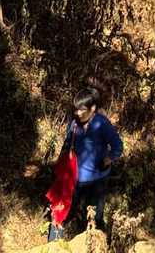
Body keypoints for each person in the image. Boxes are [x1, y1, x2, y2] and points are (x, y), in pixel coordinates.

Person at [47, 88, 122, 242]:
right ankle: (53, 246)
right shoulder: (74, 123)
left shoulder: (102, 123)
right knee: (61, 212)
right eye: (76, 109)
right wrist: (60, 169)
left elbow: (118, 146)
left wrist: (107, 160)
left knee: (95, 218)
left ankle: (95, 246)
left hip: (97, 180)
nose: (78, 113)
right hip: (74, 178)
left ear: (92, 108)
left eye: (82, 110)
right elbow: (67, 144)